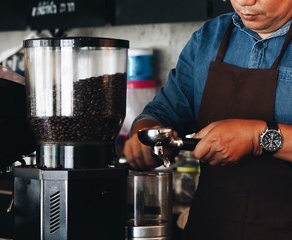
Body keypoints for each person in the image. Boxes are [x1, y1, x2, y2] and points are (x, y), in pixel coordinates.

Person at [123, 0, 292, 239]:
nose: (245, 2)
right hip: (210, 227)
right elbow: (163, 111)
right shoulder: (208, 39)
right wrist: (146, 132)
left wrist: (257, 138)